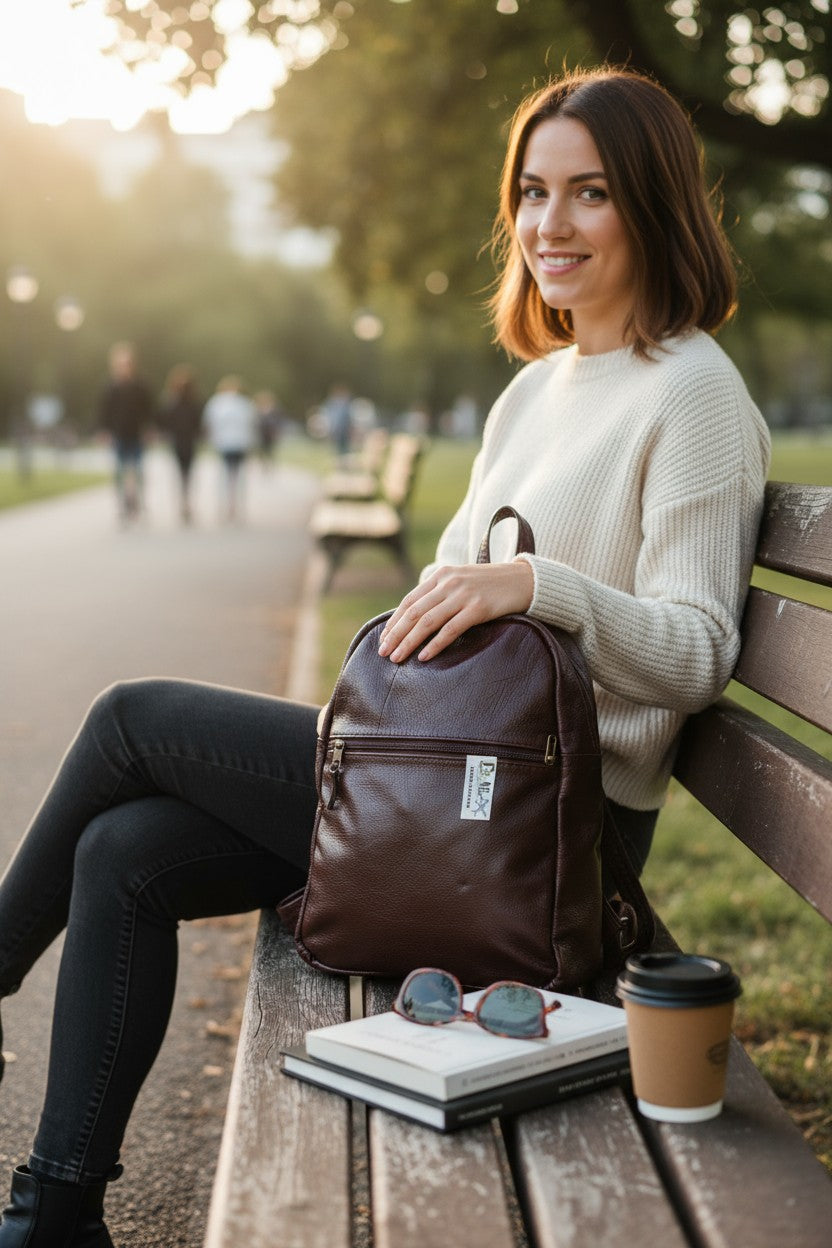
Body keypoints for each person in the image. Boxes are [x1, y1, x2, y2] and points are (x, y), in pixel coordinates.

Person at [0, 67, 769, 1242]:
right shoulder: (533, 394)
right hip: (442, 785)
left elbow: (701, 652)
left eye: (590, 194)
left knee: (127, 718)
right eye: (531, 192)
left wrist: (536, 586)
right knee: (123, 849)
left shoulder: (695, 394)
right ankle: (54, 1211)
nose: (548, 225)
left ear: (654, 206)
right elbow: (433, 610)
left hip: (551, 832)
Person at [97, 343, 155, 525]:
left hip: (137, 434)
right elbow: (104, 411)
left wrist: (149, 429)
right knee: (120, 472)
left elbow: (148, 410)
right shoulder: (111, 387)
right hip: (119, 434)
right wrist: (104, 431)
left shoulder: (140, 386)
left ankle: (139, 502)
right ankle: (123, 505)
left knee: (138, 470)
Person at [202, 375, 258, 522]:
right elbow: (252, 424)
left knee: (225, 475)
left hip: (224, 443)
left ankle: (226, 505)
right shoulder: (245, 404)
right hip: (240, 443)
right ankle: (235, 505)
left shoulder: (216, 403)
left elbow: (209, 423)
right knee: (238, 476)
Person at [159, 364, 203, 524]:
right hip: (178, 441)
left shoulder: (190, 401)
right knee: (183, 474)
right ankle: (184, 503)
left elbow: (198, 422)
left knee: (186, 474)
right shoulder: (172, 401)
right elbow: (164, 421)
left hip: (187, 441)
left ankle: (186, 503)